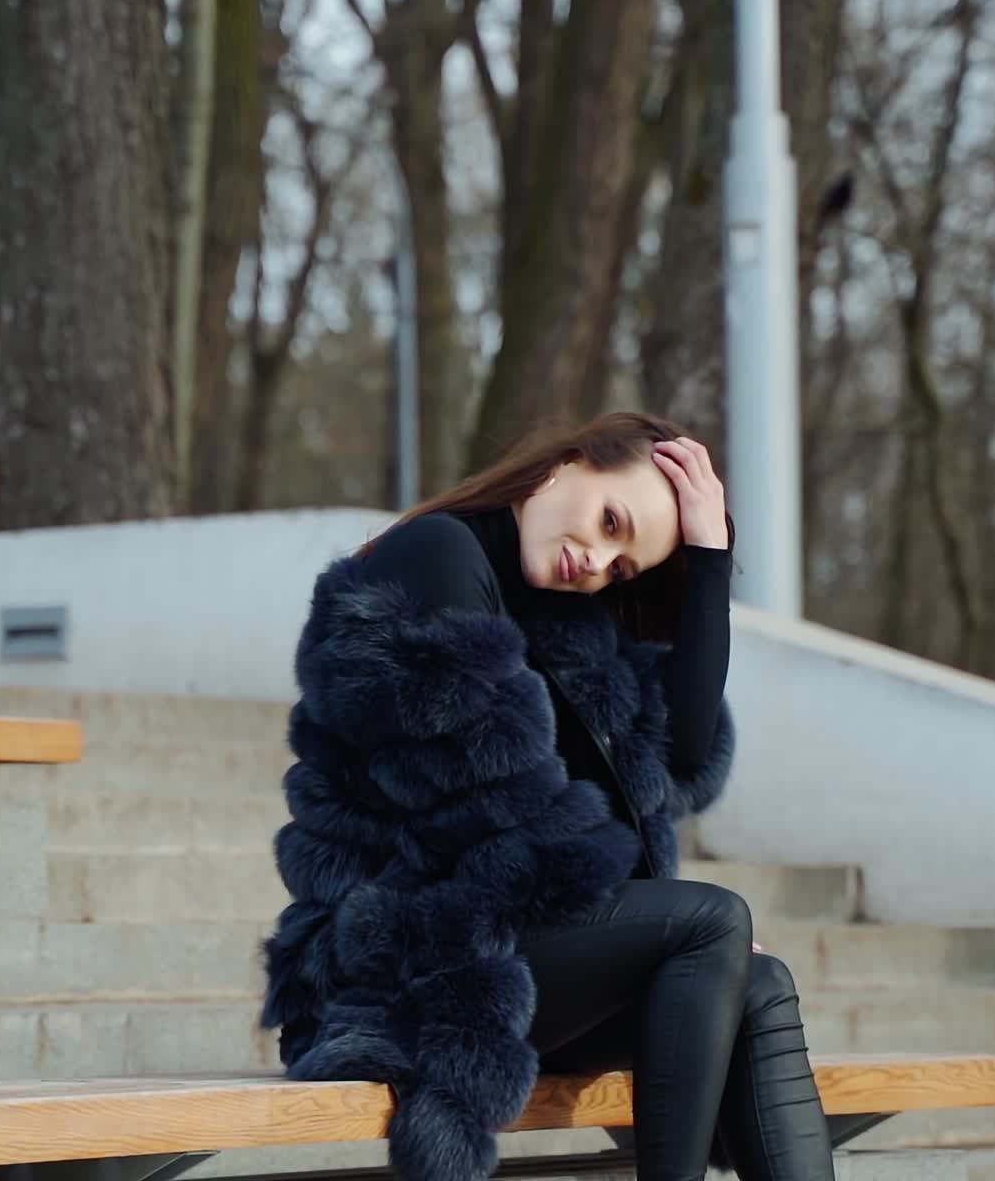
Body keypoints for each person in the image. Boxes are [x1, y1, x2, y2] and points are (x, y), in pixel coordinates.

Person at [263, 412, 835, 1181]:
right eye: (609, 522)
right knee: (711, 923)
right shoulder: (436, 555)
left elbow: (680, 760)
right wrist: (672, 921)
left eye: (622, 566)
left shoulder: (568, 624)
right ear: (566, 465)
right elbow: (493, 817)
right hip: (402, 958)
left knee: (759, 982)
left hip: (503, 947)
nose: (597, 561)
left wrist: (706, 564)